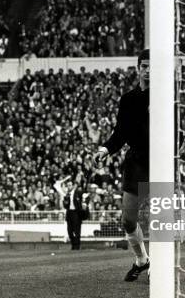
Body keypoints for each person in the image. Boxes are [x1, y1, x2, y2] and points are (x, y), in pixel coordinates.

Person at [93, 48, 150, 281]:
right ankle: (142, 260)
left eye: (152, 66)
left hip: (161, 161)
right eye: (144, 66)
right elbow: (120, 133)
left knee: (159, 218)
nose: (148, 70)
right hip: (136, 161)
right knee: (128, 220)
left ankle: (160, 267)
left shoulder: (167, 96)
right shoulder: (128, 99)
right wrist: (105, 149)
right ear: (138, 69)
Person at [53, 176, 86, 250]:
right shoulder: (67, 194)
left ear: (73, 185)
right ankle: (73, 244)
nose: (69, 187)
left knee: (77, 231)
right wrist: (65, 201)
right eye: (68, 185)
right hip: (69, 213)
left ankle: (77, 246)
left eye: (70, 185)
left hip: (76, 213)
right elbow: (65, 206)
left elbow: (85, 197)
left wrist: (84, 204)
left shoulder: (78, 192)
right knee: (70, 231)